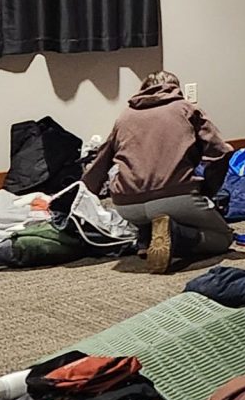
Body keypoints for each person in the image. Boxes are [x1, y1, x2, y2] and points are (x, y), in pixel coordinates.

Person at [81, 70, 234, 273]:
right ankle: (177, 236)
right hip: (176, 197)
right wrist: (207, 190)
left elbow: (99, 166)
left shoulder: (125, 116)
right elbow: (221, 153)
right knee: (223, 238)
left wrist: (82, 198)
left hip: (127, 204)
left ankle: (146, 238)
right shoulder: (186, 109)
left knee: (152, 214)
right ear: (176, 88)